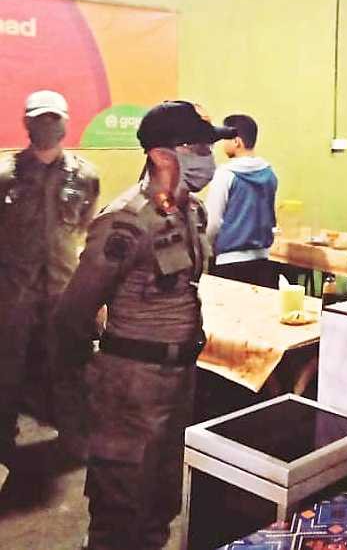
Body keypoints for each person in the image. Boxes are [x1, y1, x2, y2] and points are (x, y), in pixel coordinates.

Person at [56, 100, 235, 550]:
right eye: (196, 147)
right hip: (130, 386)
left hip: (179, 380)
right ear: (160, 154)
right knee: (120, 509)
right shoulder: (126, 221)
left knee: (161, 503)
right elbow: (74, 310)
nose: (207, 157)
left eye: (208, 147)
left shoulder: (191, 213)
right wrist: (93, 378)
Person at [0, 90, 99, 475]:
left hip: (63, 293)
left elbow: (85, 230)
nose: (47, 126)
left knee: (70, 369)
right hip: (13, 295)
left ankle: (74, 442)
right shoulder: (5, 175)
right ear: (26, 123)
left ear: (66, 123)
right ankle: (3, 444)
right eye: (39, 119)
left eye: (53, 119)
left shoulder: (85, 176)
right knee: (6, 373)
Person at [205, 114, 278, 288]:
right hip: (263, 260)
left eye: (225, 138)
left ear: (237, 141)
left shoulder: (225, 174)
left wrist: (205, 250)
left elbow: (213, 222)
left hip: (229, 263)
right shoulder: (270, 174)